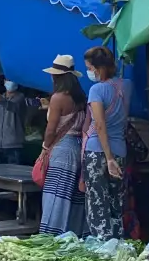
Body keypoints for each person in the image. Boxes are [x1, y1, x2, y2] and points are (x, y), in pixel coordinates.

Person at [82, 46, 133, 240]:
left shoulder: (96, 90)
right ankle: (117, 243)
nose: (89, 71)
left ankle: (102, 248)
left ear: (97, 68)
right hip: (120, 150)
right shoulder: (127, 85)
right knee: (116, 203)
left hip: (97, 152)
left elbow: (100, 125)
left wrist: (108, 158)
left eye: (89, 67)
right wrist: (113, 158)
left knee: (97, 203)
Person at [39, 55, 88, 237]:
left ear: (56, 77)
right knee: (74, 195)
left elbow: (51, 130)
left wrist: (45, 147)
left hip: (62, 149)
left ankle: (51, 235)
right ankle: (73, 234)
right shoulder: (81, 97)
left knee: (56, 195)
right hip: (77, 148)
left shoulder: (57, 98)